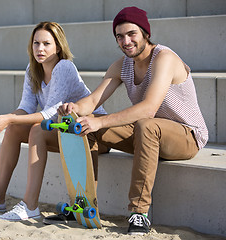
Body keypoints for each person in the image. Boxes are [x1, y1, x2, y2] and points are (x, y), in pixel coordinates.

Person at [56, 6, 208, 235]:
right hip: (148, 133)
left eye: (131, 34)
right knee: (85, 126)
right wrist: (75, 108)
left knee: (142, 125)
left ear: (146, 33)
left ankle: (139, 213)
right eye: (119, 36)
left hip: (186, 135)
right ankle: (84, 203)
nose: (125, 41)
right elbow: (94, 99)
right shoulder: (121, 65)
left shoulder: (164, 58)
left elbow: (148, 109)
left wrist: (101, 121)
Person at [0, 21, 106, 221]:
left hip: (90, 132)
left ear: (58, 47)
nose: (40, 49)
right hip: (66, 131)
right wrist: (6, 120)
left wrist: (9, 118)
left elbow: (50, 113)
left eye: (46, 44)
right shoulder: (32, 69)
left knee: (36, 129)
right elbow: (26, 107)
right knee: (15, 129)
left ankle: (30, 206)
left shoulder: (64, 67)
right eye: (36, 43)